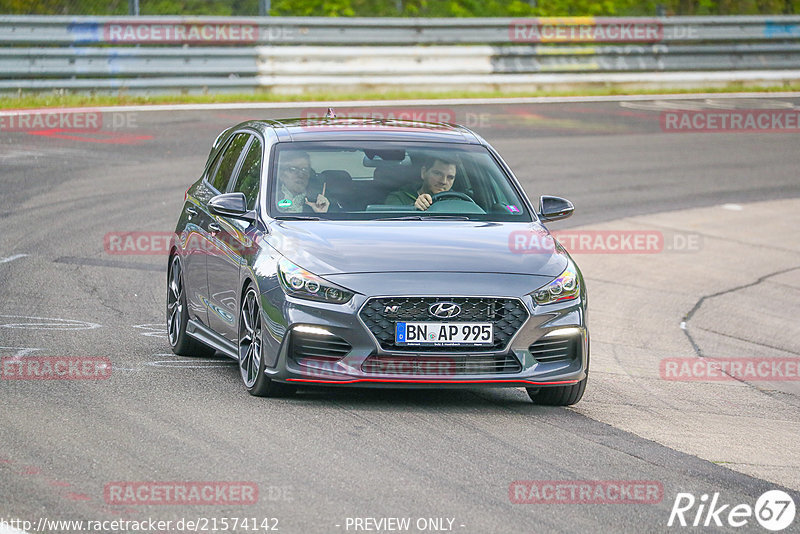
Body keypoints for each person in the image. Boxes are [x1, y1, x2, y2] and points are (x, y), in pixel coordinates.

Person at [384, 155, 458, 211]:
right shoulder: (399, 198)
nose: (443, 181)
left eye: (450, 177)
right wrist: (414, 208)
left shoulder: (459, 202)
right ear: (424, 172)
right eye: (437, 173)